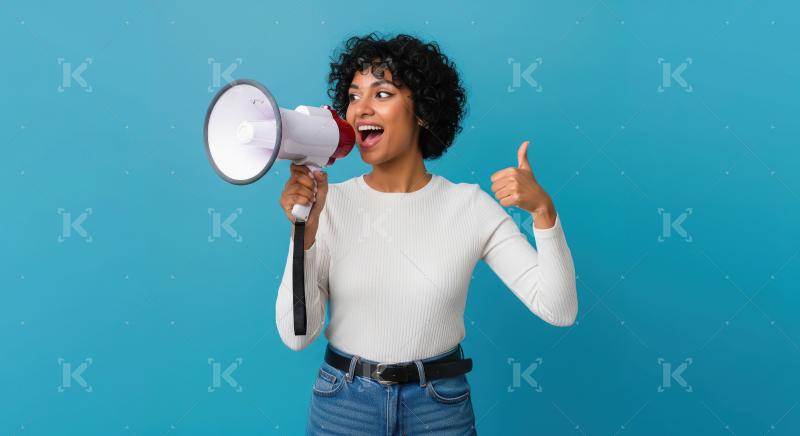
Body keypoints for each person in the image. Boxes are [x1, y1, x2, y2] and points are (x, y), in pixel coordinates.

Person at [275, 33, 578, 435]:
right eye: (353, 95)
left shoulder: (469, 207)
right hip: (344, 406)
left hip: (438, 409)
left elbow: (559, 309)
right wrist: (304, 233)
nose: (361, 108)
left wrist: (544, 213)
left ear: (422, 111)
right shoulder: (329, 204)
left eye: (382, 94)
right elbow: (297, 336)